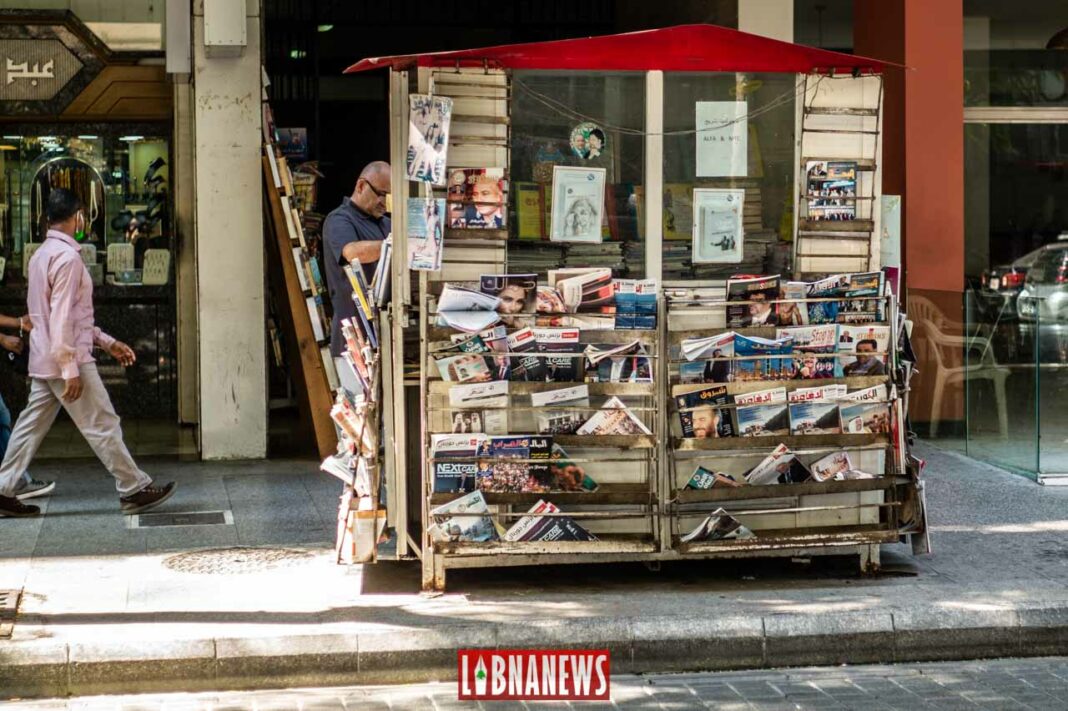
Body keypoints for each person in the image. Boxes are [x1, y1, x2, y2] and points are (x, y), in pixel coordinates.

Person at [0, 189, 174, 518]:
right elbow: (63, 316)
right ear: (78, 216)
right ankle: (133, 487)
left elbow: (52, 316)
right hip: (66, 359)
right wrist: (70, 368)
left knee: (29, 426)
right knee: (101, 421)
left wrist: (106, 342)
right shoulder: (67, 259)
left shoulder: (40, 256)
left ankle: (2, 488)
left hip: (44, 356)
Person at [323, 161, 391, 358]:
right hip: (353, 338)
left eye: (389, 196)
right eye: (380, 193)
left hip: (384, 333)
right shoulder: (339, 219)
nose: (384, 202)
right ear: (361, 186)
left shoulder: (386, 223)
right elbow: (352, 253)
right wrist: (395, 245)